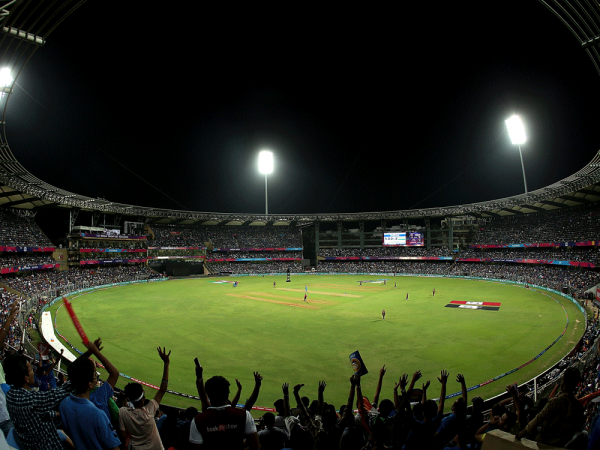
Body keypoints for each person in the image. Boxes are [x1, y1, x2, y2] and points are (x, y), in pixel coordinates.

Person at [4, 352, 74, 450]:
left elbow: (36, 414)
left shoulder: (10, 395)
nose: (34, 372)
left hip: (28, 443)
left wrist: (55, 414)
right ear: (26, 378)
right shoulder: (30, 400)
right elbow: (60, 392)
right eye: (31, 370)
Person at [59, 340, 121, 450]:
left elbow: (73, 370)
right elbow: (115, 374)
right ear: (90, 384)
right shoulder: (99, 407)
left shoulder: (64, 403)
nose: (96, 379)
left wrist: (90, 352)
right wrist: (95, 351)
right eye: (94, 376)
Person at [119, 347, 171, 450]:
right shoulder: (149, 411)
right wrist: (166, 364)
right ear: (143, 399)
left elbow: (123, 435)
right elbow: (162, 389)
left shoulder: (123, 412)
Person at [190, 375, 259, 449]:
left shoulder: (198, 421)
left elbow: (203, 397)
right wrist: (257, 386)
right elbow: (255, 447)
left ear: (208, 394)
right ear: (228, 394)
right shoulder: (244, 415)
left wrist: (199, 378)